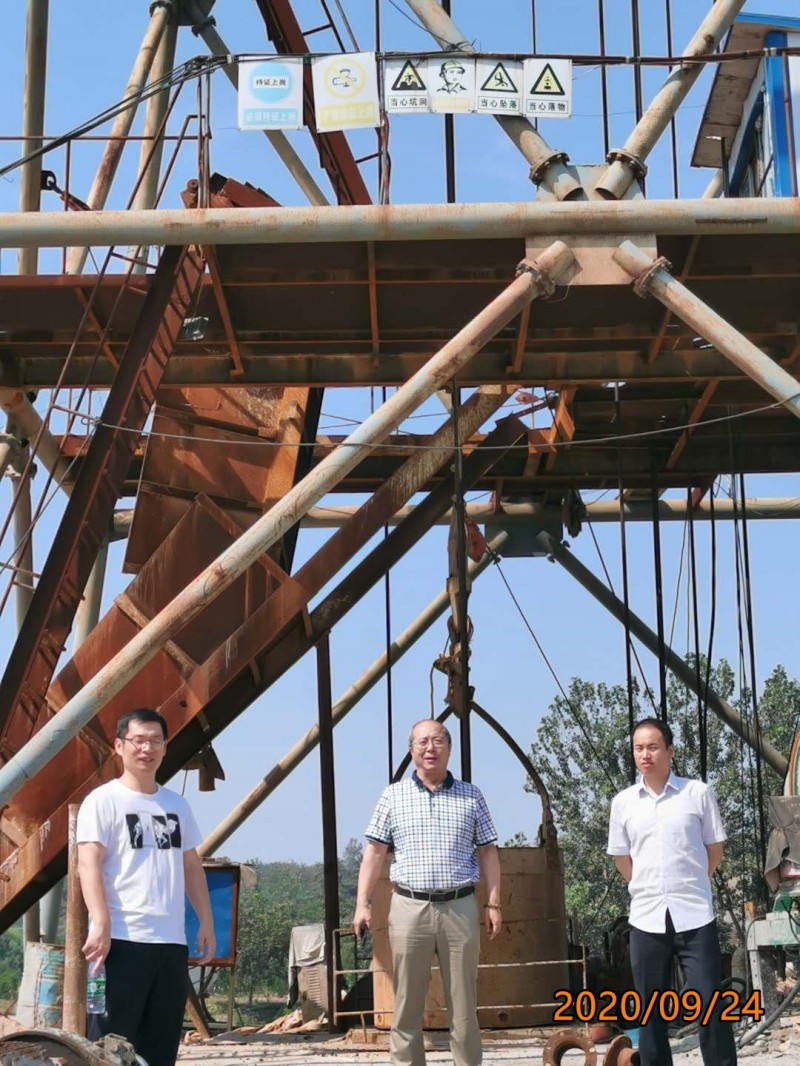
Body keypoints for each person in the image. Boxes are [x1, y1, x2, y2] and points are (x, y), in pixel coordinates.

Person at [354, 719, 501, 1066]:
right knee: (406, 1002)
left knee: (464, 1004)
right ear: (411, 751)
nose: (430, 748)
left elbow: (488, 852)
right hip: (409, 907)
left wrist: (493, 903)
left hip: (459, 906)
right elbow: (374, 852)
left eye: (437, 741)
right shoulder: (393, 795)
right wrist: (362, 904)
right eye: (422, 742)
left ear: (449, 748)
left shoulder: (471, 795)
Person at [77, 708, 215, 1066]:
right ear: (119, 746)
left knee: (160, 1047)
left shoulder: (176, 805)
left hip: (170, 945)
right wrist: (100, 922)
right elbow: (88, 863)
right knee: (109, 1048)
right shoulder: (103, 800)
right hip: (119, 942)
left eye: (155, 741)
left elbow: (191, 866)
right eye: (138, 740)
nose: (146, 748)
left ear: (165, 747)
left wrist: (206, 921)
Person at [607, 717, 737, 1066]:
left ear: (670, 750)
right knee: (651, 1010)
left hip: (694, 914)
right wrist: (644, 886)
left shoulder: (697, 794)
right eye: (638, 748)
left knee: (709, 1002)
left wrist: (692, 882)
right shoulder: (623, 803)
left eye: (652, 747)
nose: (645, 754)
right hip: (646, 917)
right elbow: (621, 857)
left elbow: (714, 849)